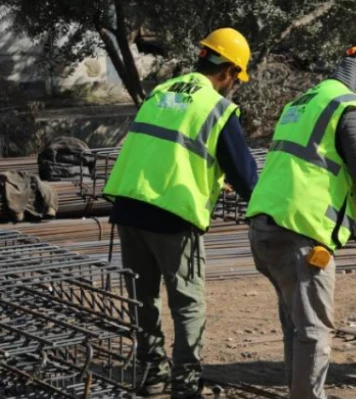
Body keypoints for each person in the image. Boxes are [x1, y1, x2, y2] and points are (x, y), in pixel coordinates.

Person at [103, 28, 259, 399]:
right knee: (187, 303)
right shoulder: (217, 107)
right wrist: (265, 207)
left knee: (142, 299)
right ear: (229, 72)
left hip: (129, 206)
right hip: (172, 216)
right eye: (236, 77)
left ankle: (152, 375)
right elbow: (246, 175)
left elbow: (163, 149)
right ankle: (186, 385)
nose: (234, 84)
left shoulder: (161, 91)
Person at [245, 41, 356, 399]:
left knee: (296, 326)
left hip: (264, 227)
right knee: (314, 331)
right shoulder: (348, 108)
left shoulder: (304, 101)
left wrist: (355, 221)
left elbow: (323, 171)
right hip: (301, 233)